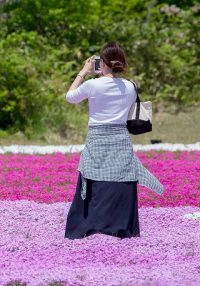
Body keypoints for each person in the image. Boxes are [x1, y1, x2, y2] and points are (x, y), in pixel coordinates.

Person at [64, 41, 164, 239]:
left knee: (94, 177)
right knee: (121, 178)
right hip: (120, 137)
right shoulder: (130, 87)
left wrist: (84, 71)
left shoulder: (92, 85)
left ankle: (90, 225)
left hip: (97, 137)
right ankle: (120, 227)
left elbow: (70, 97)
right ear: (122, 63)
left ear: (104, 63)